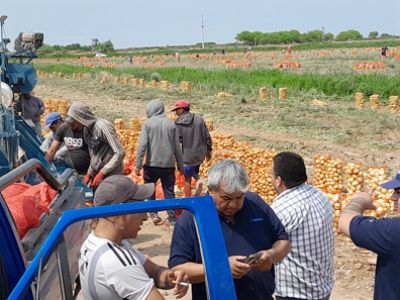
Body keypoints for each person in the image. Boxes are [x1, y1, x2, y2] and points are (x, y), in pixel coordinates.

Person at [168, 159, 290, 300]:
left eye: (239, 197)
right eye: (226, 198)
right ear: (211, 190)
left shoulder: (255, 203)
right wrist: (221, 269)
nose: (233, 204)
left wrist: (271, 255)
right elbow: (178, 268)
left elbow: (283, 241)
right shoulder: (192, 218)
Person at [79, 175, 189, 300]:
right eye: (139, 207)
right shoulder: (116, 262)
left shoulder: (95, 241)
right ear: (119, 214)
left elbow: (153, 271)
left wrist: (171, 277)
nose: (145, 217)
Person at [270, 151, 334, 300]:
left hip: (295, 293)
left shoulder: (283, 208)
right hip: (322, 289)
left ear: (279, 180)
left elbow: (262, 245)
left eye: (271, 175)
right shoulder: (319, 195)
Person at [338, 171, 400, 300]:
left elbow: (344, 222)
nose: (393, 197)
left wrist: (359, 201)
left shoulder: (393, 231)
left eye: (399, 192)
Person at [135, 99, 183, 225]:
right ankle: (172, 217)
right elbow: (177, 148)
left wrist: (138, 165)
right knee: (169, 191)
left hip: (151, 164)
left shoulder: (148, 124)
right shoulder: (171, 124)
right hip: (168, 165)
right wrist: (180, 166)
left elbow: (142, 145)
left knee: (150, 190)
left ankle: (153, 214)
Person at [66, 102, 125, 188]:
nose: (72, 126)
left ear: (81, 118)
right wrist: (90, 173)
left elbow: (120, 152)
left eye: (74, 122)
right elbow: (94, 154)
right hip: (98, 173)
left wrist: (103, 172)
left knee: (110, 197)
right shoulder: (86, 130)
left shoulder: (102, 127)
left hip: (111, 173)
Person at [172, 99, 212, 198]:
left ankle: (188, 200)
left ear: (182, 109)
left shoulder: (178, 123)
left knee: (187, 180)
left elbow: (176, 141)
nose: (176, 112)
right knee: (194, 170)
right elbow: (207, 136)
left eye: (177, 110)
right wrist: (209, 150)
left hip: (188, 156)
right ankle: (200, 181)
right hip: (200, 154)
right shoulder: (199, 119)